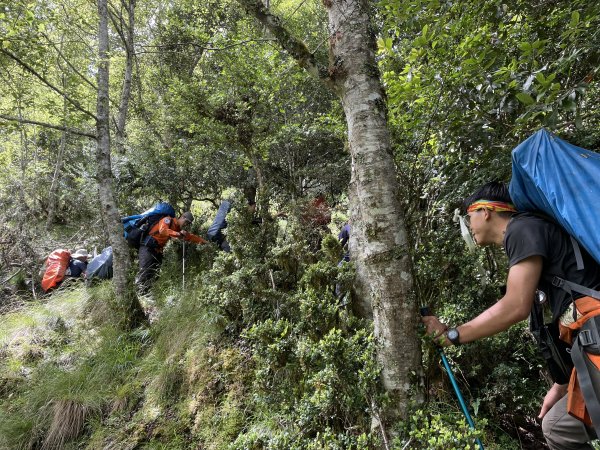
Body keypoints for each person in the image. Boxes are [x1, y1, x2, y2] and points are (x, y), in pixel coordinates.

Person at [422, 181, 600, 449]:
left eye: (469, 216)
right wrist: (562, 385)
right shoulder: (530, 231)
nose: (469, 225)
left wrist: (453, 335)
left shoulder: (521, 228)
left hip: (595, 336)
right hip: (590, 344)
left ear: (486, 212)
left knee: (559, 428)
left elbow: (515, 305)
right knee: (557, 426)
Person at [136, 211, 208, 294]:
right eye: (186, 222)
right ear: (182, 217)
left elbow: (191, 237)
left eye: (188, 223)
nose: (186, 224)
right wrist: (177, 234)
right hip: (147, 247)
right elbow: (163, 230)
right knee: (145, 271)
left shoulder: (178, 229)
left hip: (157, 251)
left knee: (155, 273)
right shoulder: (168, 220)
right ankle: (138, 294)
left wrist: (205, 242)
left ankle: (146, 294)